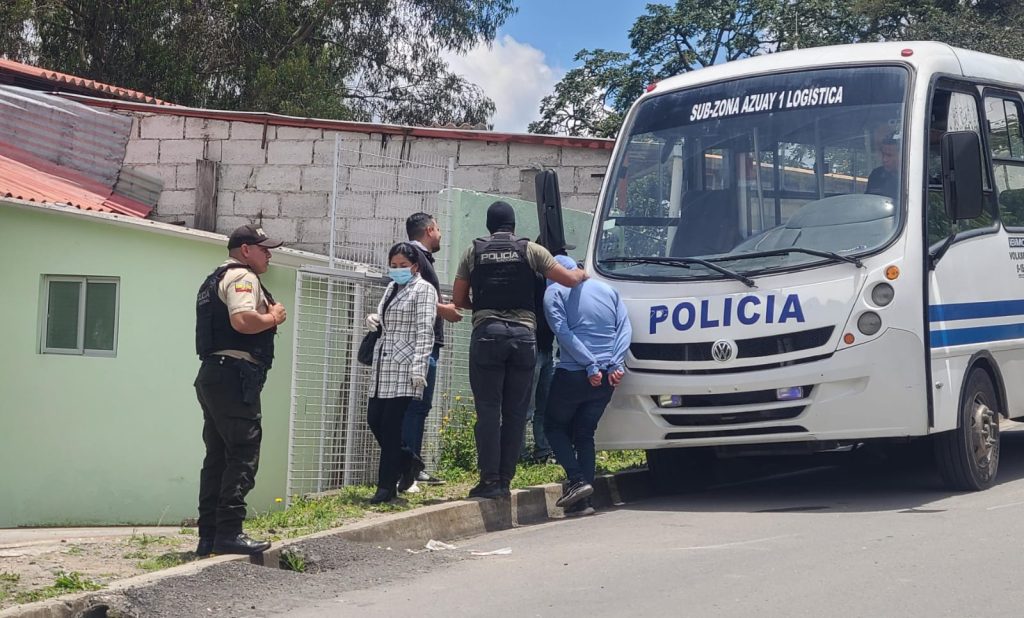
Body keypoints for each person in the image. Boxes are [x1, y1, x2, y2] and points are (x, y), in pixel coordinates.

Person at [452, 201, 587, 499]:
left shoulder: (473, 251)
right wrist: (582, 272)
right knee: (515, 413)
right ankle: (504, 481)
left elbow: (459, 298)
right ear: (513, 226)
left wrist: (487, 306)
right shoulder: (531, 250)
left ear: (488, 226)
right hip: (524, 339)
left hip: (487, 335)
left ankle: (488, 480)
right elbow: (568, 279)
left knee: (488, 411)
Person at [194, 224, 287, 556]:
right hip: (234, 376)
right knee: (243, 452)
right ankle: (229, 532)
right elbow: (243, 320)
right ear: (245, 249)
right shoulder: (242, 277)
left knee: (218, 458)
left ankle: (209, 537)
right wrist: (274, 316)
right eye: (264, 248)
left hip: (214, 375)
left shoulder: (214, 279)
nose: (269, 254)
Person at [543, 255, 632, 517]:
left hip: (575, 373)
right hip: (607, 378)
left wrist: (590, 364)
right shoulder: (608, 290)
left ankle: (577, 480)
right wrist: (615, 364)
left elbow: (563, 333)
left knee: (554, 427)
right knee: (584, 433)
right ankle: (583, 502)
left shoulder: (554, 292)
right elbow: (624, 328)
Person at [363, 242, 438, 504]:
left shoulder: (424, 290)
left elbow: (424, 330)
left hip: (405, 368)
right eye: (393, 266)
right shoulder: (392, 287)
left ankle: (386, 487)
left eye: (402, 266)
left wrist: (419, 368)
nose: (397, 270)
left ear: (415, 266)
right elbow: (388, 320)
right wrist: (374, 318)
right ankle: (409, 461)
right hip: (383, 366)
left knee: (391, 427)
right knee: (375, 420)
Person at [398, 213, 462, 488]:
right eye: (438, 229)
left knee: (420, 407)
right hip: (420, 343)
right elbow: (408, 293)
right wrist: (443, 309)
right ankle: (407, 468)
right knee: (414, 406)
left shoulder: (421, 258)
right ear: (428, 230)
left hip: (426, 342)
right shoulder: (413, 255)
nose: (440, 234)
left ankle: (414, 466)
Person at [866, 137, 900, 202]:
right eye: (883, 154)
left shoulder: (911, 178)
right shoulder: (875, 175)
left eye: (889, 155)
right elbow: (868, 201)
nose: (884, 159)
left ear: (901, 155)